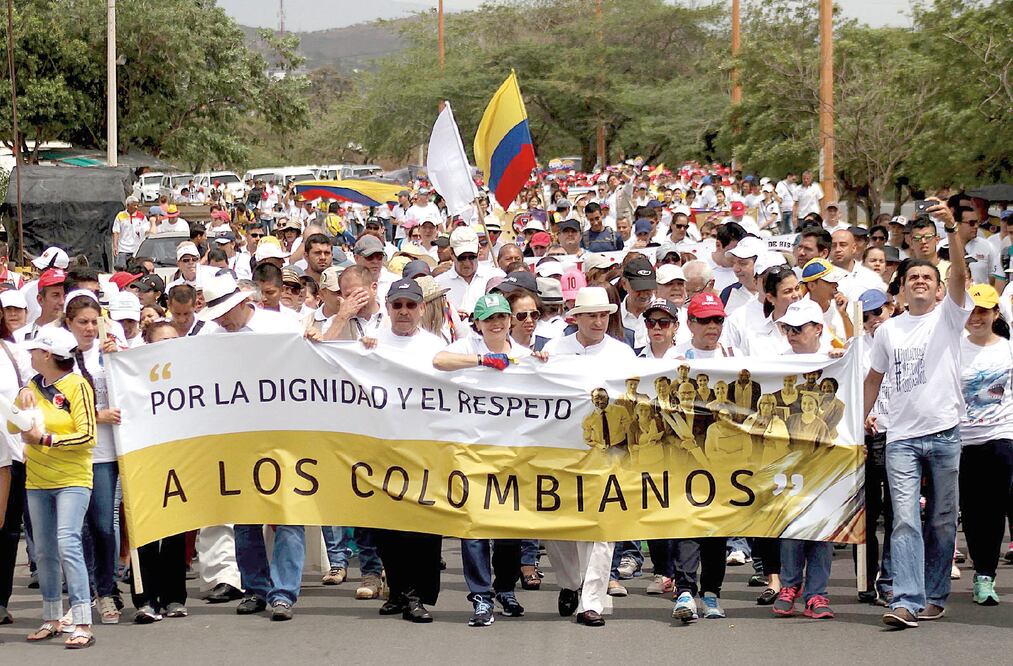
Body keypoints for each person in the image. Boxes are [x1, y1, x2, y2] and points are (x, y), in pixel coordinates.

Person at [863, 197, 970, 629]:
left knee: (942, 521)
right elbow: (873, 379)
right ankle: (906, 599)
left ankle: (935, 593)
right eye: (914, 278)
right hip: (902, 438)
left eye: (928, 276)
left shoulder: (950, 316)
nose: (921, 282)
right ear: (902, 287)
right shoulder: (888, 330)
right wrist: (857, 422)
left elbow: (961, 274)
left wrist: (951, 232)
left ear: (938, 287)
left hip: (945, 433)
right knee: (904, 518)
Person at [198, 273, 307, 621]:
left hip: (284, 432)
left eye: (225, 313)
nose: (221, 321)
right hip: (237, 436)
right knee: (245, 518)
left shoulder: (281, 325)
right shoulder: (211, 337)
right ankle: (256, 588)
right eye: (216, 315)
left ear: (243, 303)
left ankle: (283, 592)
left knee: (289, 515)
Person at [433, 293, 543, 625]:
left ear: (510, 319)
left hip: (513, 452)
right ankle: (481, 596)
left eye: (501, 317)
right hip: (472, 452)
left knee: (508, 527)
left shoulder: (524, 355)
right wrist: (482, 361)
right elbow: (439, 360)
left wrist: (545, 362)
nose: (496, 323)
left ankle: (505, 587)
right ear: (477, 323)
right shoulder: (467, 346)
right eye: (488, 318)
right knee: (474, 528)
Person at [542, 287, 635, 627]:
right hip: (561, 451)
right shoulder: (553, 350)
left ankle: (591, 601)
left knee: (603, 528)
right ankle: (571, 583)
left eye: (604, 315)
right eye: (591, 315)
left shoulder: (623, 354)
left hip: (606, 454)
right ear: (576, 317)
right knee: (557, 526)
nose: (598, 321)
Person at [366, 279, 446, 623]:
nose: (403, 312)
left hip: (424, 446)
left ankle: (417, 594)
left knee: (422, 526)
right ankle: (398, 590)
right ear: (387, 307)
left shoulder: (434, 346)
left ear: (421, 309)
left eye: (410, 305)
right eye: (397, 305)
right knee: (387, 527)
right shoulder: (370, 343)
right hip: (383, 445)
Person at [15, 327, 97, 648]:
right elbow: (14, 424)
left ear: (47, 355)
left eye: (35, 351)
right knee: (45, 550)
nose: (30, 355)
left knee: (68, 543)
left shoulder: (77, 385)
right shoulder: (33, 385)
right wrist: (21, 404)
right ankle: (51, 617)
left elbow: (88, 434)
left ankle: (81, 622)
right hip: (37, 478)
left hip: (73, 478)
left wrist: (46, 439)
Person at [770, 298, 837, 620]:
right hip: (790, 457)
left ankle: (817, 593)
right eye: (787, 329)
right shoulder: (776, 363)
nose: (792, 335)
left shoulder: (838, 359)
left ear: (818, 329)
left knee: (822, 524)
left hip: (828, 456)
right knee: (793, 522)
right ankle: (790, 584)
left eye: (799, 329)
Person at [62, 291, 123, 625]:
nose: (88, 328)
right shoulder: (60, 358)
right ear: (68, 323)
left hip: (104, 453)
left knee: (102, 524)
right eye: (81, 322)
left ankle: (107, 589)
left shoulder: (109, 354)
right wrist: (95, 415)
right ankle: (80, 594)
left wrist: (120, 358)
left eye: (93, 322)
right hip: (72, 451)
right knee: (76, 529)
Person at [957, 284, 1013, 606]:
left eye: (983, 311)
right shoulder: (953, 348)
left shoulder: (1007, 349)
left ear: (995, 313)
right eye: (972, 311)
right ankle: (978, 569)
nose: (977, 317)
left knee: (993, 509)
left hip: (1002, 436)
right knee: (972, 511)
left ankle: (985, 577)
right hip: (962, 440)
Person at [112, 196, 148, 267]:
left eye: (137, 205)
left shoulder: (141, 216)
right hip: (123, 249)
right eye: (134, 205)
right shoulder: (120, 216)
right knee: (121, 269)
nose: (136, 207)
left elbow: (146, 230)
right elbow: (116, 231)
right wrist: (115, 246)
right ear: (128, 205)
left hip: (136, 248)